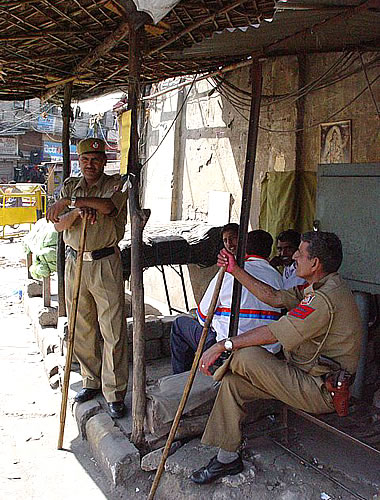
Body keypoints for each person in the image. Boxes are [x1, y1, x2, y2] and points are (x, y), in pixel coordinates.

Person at [190, 231, 363, 484]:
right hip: (301, 377)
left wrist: (223, 345)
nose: (293, 256)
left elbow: (274, 333)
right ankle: (227, 459)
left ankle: (217, 366)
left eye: (300, 254)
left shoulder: (325, 300)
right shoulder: (321, 286)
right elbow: (274, 297)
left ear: (315, 263)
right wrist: (234, 269)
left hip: (321, 391)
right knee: (232, 384)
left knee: (244, 354)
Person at [46, 138, 128, 419]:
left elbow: (107, 207)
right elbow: (58, 224)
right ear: (79, 162)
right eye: (85, 160)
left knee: (113, 330)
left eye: (95, 159)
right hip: (75, 262)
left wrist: (72, 204)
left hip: (105, 262)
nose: (90, 164)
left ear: (104, 161)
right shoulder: (70, 185)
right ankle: (91, 381)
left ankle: (115, 392)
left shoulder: (114, 184)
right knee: (82, 326)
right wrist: (78, 211)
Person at [170, 229, 283, 374]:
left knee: (180, 324)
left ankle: (179, 378)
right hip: (267, 352)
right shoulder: (278, 277)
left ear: (244, 247)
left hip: (228, 349)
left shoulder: (231, 272)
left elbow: (204, 316)